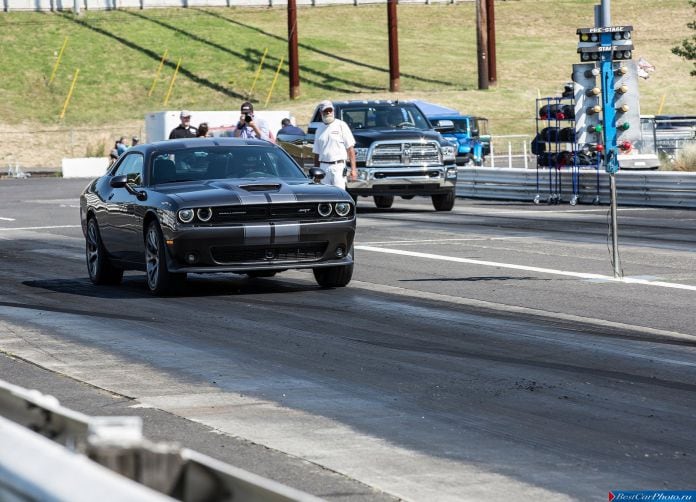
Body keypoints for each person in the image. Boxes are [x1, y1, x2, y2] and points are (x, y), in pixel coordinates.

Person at [312, 100, 356, 190]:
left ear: (333, 111)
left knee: (340, 194)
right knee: (325, 195)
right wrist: (316, 171)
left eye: (330, 110)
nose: (328, 112)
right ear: (321, 112)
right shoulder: (319, 129)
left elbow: (350, 149)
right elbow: (316, 153)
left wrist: (353, 169)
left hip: (338, 166)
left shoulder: (341, 125)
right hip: (323, 167)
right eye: (326, 111)